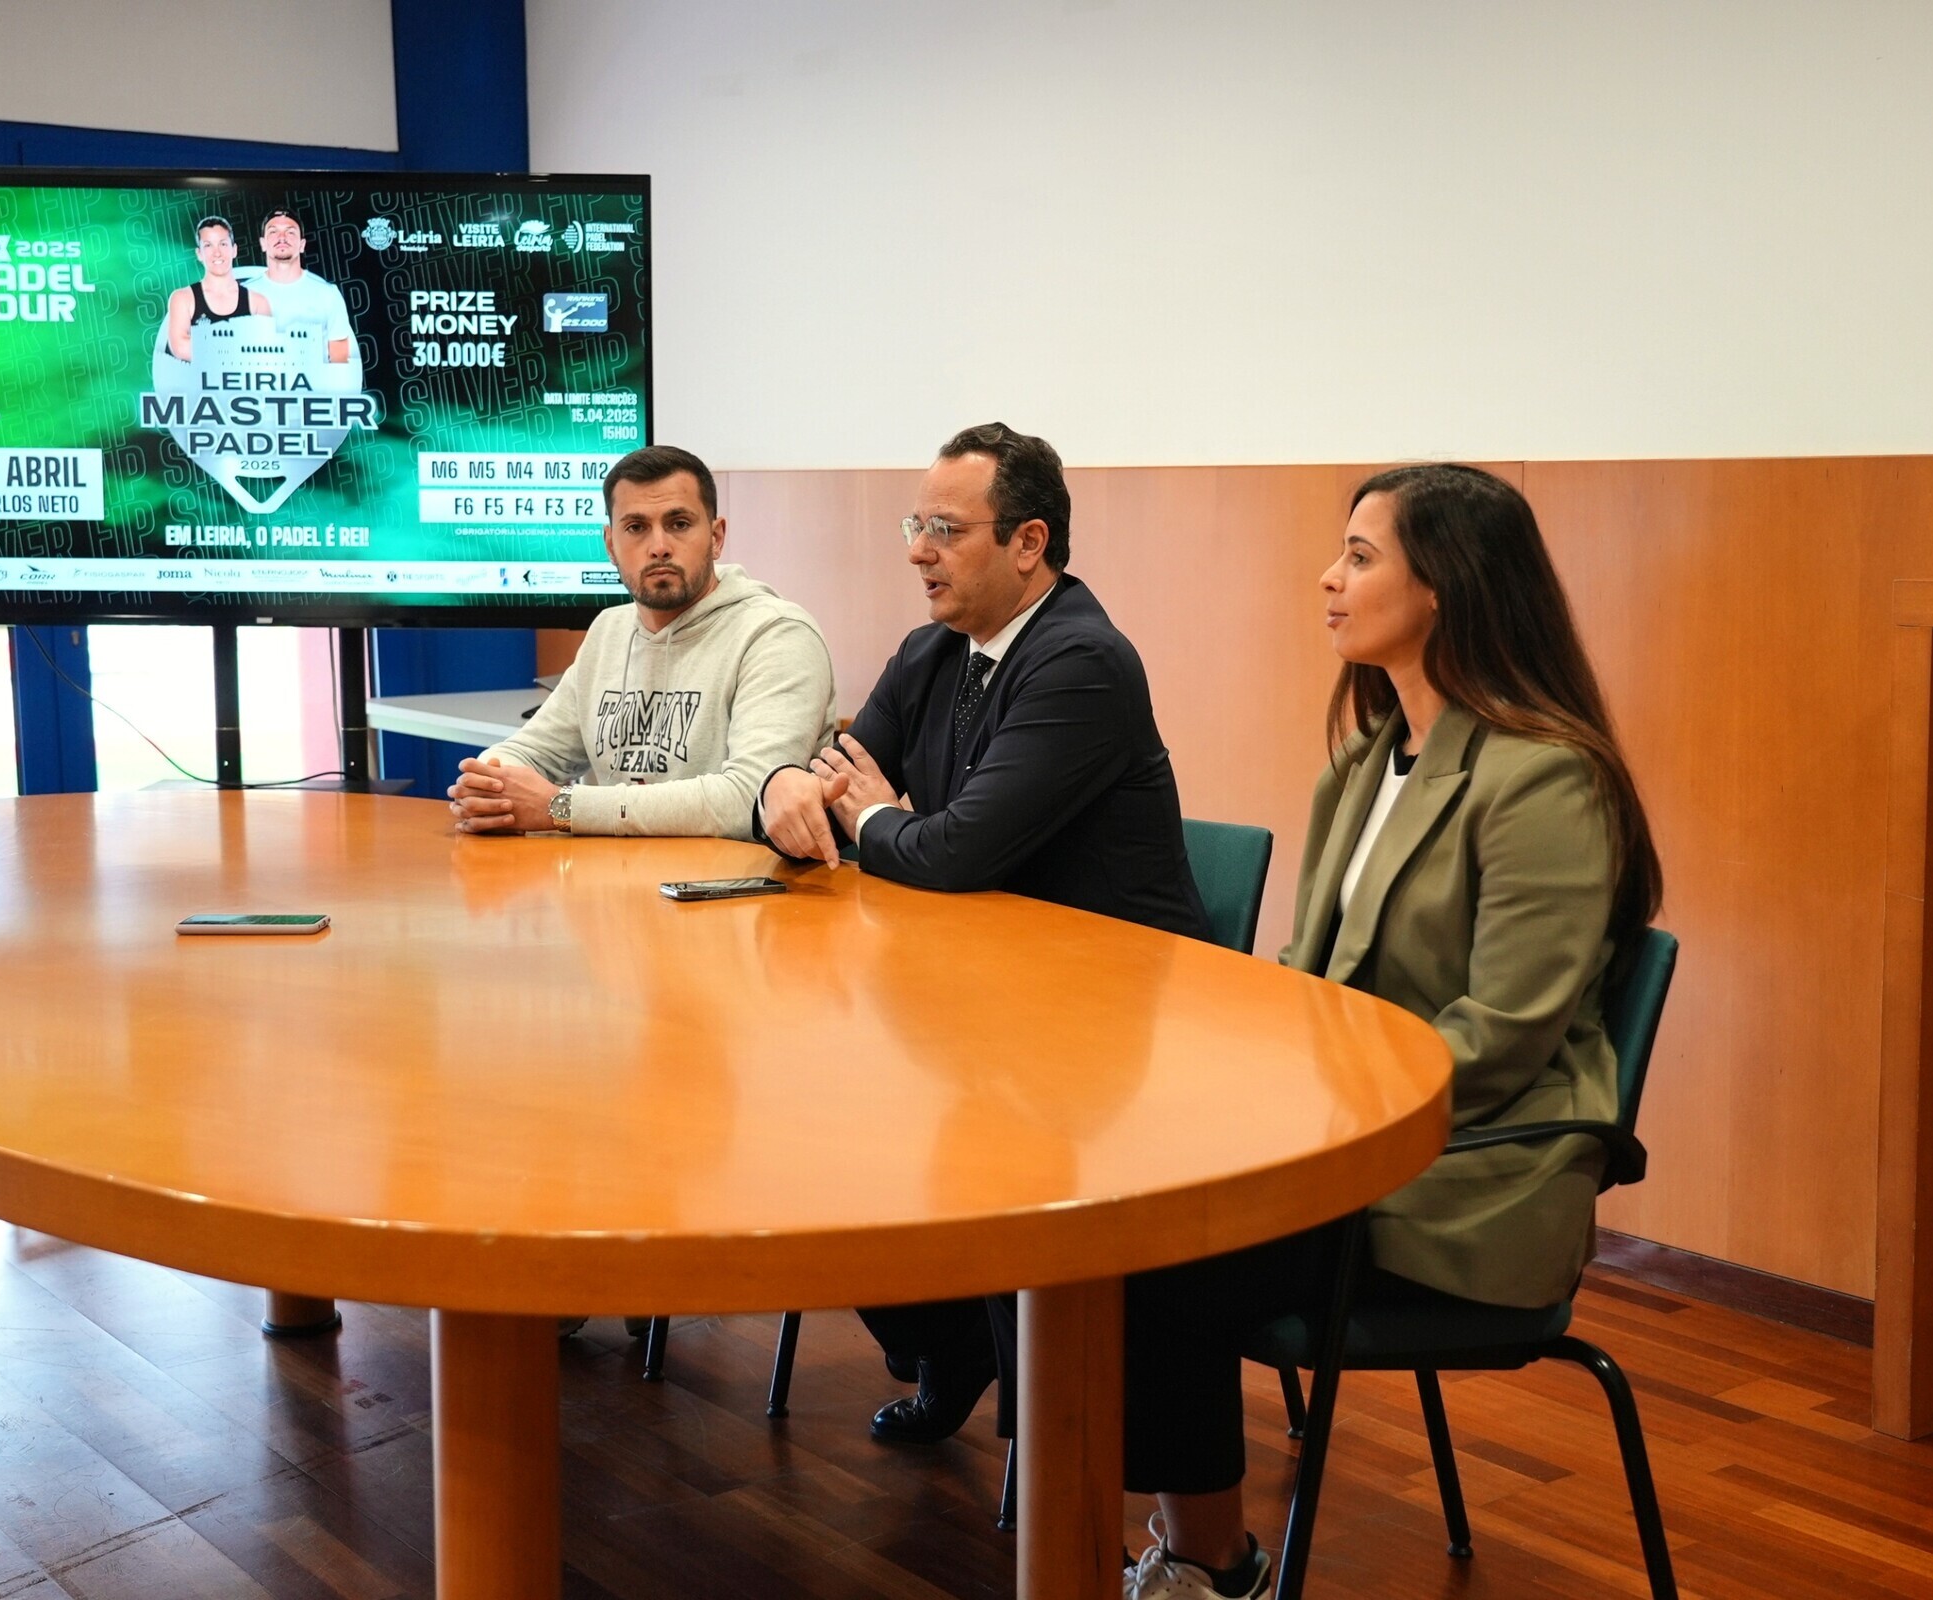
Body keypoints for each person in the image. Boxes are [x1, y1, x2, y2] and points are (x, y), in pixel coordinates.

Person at [1116, 463, 1664, 1599]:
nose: (1328, 576)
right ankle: (1169, 1548)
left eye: (1361, 556)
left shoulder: (1546, 780)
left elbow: (1501, 1039)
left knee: (1147, 1260)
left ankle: (1206, 1565)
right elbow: (1312, 985)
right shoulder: (1369, 759)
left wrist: (1293, 1104)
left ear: (1445, 590)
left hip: (1468, 1175)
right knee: (1102, 1234)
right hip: (1345, 1148)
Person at [758, 421, 1207, 1445]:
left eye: (945, 528)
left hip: (1101, 1031)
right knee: (816, 1121)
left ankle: (1004, 1366)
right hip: (978, 1001)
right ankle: (948, 1343)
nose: (917, 549)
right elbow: (829, 798)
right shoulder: (933, 650)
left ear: (1028, 543)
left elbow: (955, 853)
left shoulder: (1082, 660)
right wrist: (787, 783)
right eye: (915, 524)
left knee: (873, 1123)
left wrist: (875, 818)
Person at [448, 444, 839, 842]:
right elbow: (531, 751)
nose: (659, 546)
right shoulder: (608, 630)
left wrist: (562, 808)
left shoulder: (777, 633)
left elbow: (752, 798)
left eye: (679, 523)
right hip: (613, 889)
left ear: (717, 537)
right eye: (636, 527)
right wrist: (489, 787)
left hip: (738, 893)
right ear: (610, 545)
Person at [234, 209, 355, 369]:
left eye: (290, 232)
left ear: (302, 245)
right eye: (273, 232)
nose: (282, 237)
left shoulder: (327, 294)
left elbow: (340, 358)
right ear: (263, 244)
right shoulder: (241, 295)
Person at [163, 216, 269, 362]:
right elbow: (180, 347)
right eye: (208, 245)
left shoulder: (258, 302)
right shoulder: (182, 299)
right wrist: (240, 347)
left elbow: (265, 351)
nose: (217, 252)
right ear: (199, 253)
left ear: (234, 250)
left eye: (223, 244)